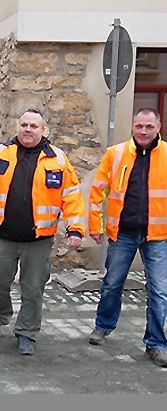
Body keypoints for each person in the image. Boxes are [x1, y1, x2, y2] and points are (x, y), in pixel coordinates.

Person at [0, 109, 85, 355]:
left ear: (43, 130)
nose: (28, 129)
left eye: (34, 126)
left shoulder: (57, 160)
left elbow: (72, 197)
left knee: (33, 287)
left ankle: (26, 332)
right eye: (24, 124)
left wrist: (75, 228)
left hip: (38, 239)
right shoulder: (0, 153)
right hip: (3, 235)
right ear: (17, 127)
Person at [88, 108, 167, 368]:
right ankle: (103, 325)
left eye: (149, 127)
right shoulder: (116, 154)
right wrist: (95, 225)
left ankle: (155, 343)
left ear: (159, 128)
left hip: (158, 236)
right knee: (112, 283)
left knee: (159, 291)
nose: (143, 131)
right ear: (133, 127)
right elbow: (97, 192)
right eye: (139, 126)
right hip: (122, 234)